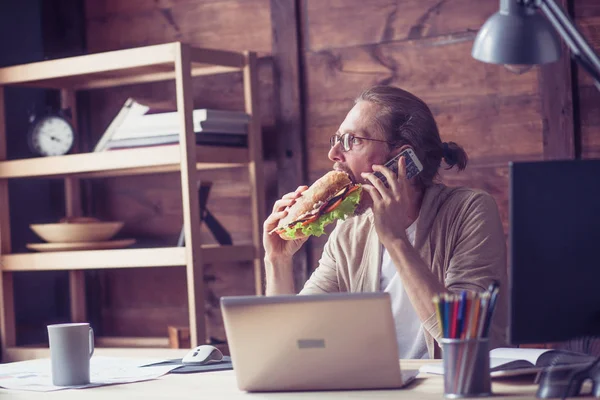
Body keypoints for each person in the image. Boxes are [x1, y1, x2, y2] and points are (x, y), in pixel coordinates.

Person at [262, 85, 508, 359]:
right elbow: (289, 343)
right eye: (337, 139)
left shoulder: (469, 210)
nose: (333, 154)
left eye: (352, 140)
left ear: (402, 160)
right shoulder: (349, 231)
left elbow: (465, 338)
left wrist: (395, 239)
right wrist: (278, 260)